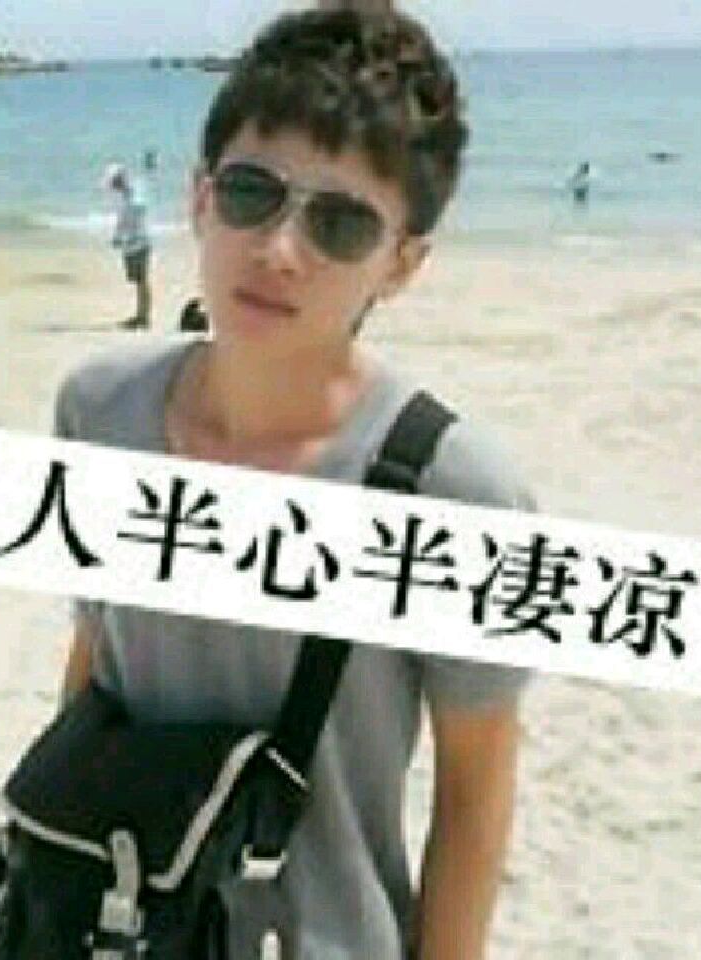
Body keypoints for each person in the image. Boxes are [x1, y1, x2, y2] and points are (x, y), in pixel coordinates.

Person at [57, 8, 534, 958]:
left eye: (341, 224)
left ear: (402, 265)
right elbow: (94, 663)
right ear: (199, 200)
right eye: (251, 193)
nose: (279, 250)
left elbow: (476, 791)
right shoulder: (101, 410)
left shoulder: (454, 490)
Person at [103, 162, 152, 329]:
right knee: (138, 281)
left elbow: (137, 213)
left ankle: (143, 317)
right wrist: (118, 237)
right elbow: (123, 221)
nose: (114, 186)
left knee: (141, 280)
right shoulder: (125, 197)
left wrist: (124, 236)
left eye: (115, 182)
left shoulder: (134, 195)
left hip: (139, 243)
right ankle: (141, 315)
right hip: (130, 244)